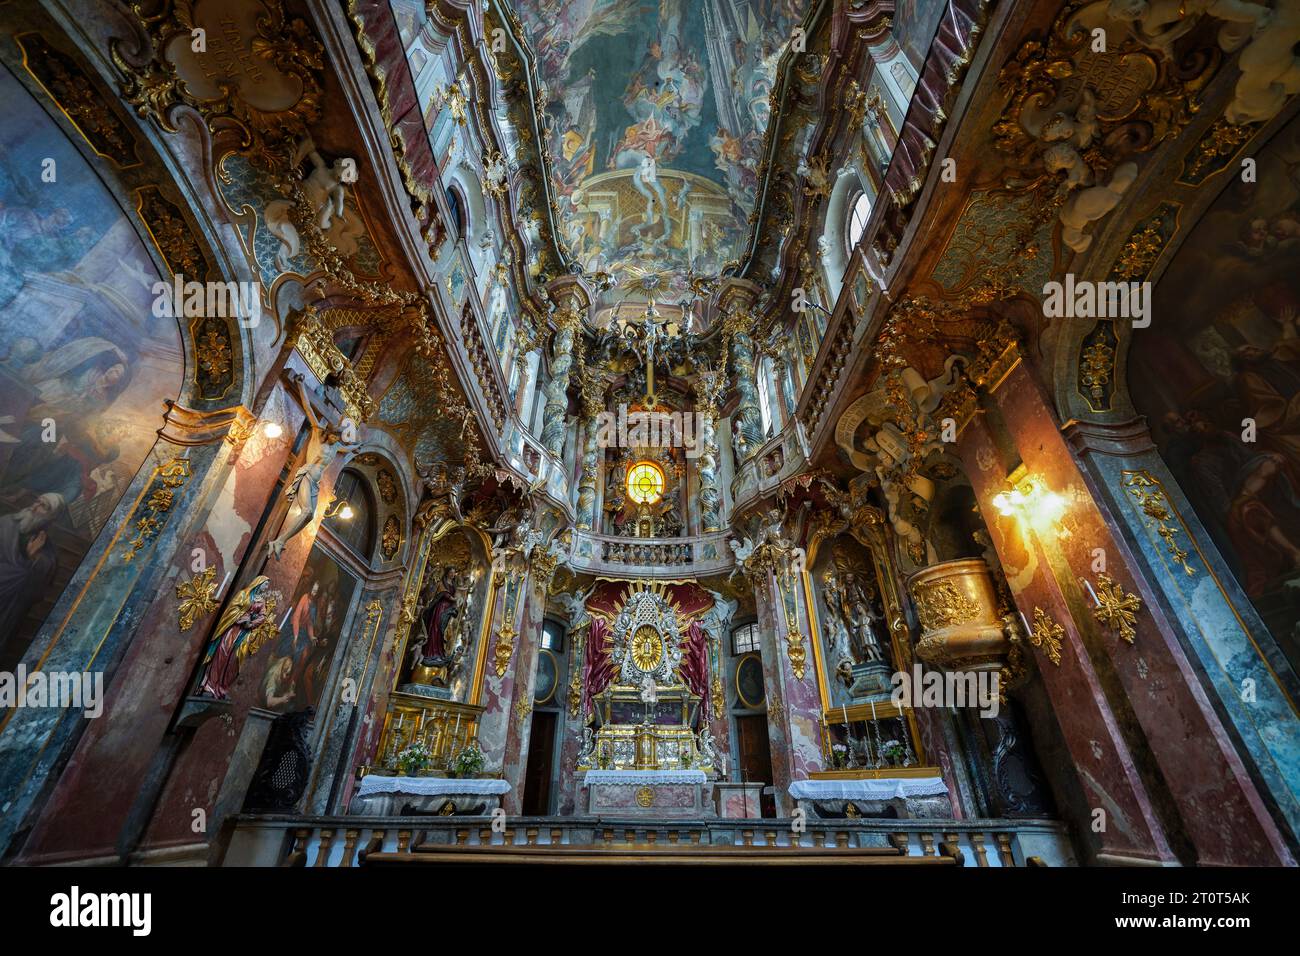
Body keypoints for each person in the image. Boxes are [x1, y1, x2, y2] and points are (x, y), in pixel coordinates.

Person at [0, 493, 62, 650]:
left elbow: (36, 594)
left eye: (43, 506)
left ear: (52, 517)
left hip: (7, 611)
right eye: (37, 501)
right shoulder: (6, 523)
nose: (34, 507)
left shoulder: (48, 552)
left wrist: (32, 560)